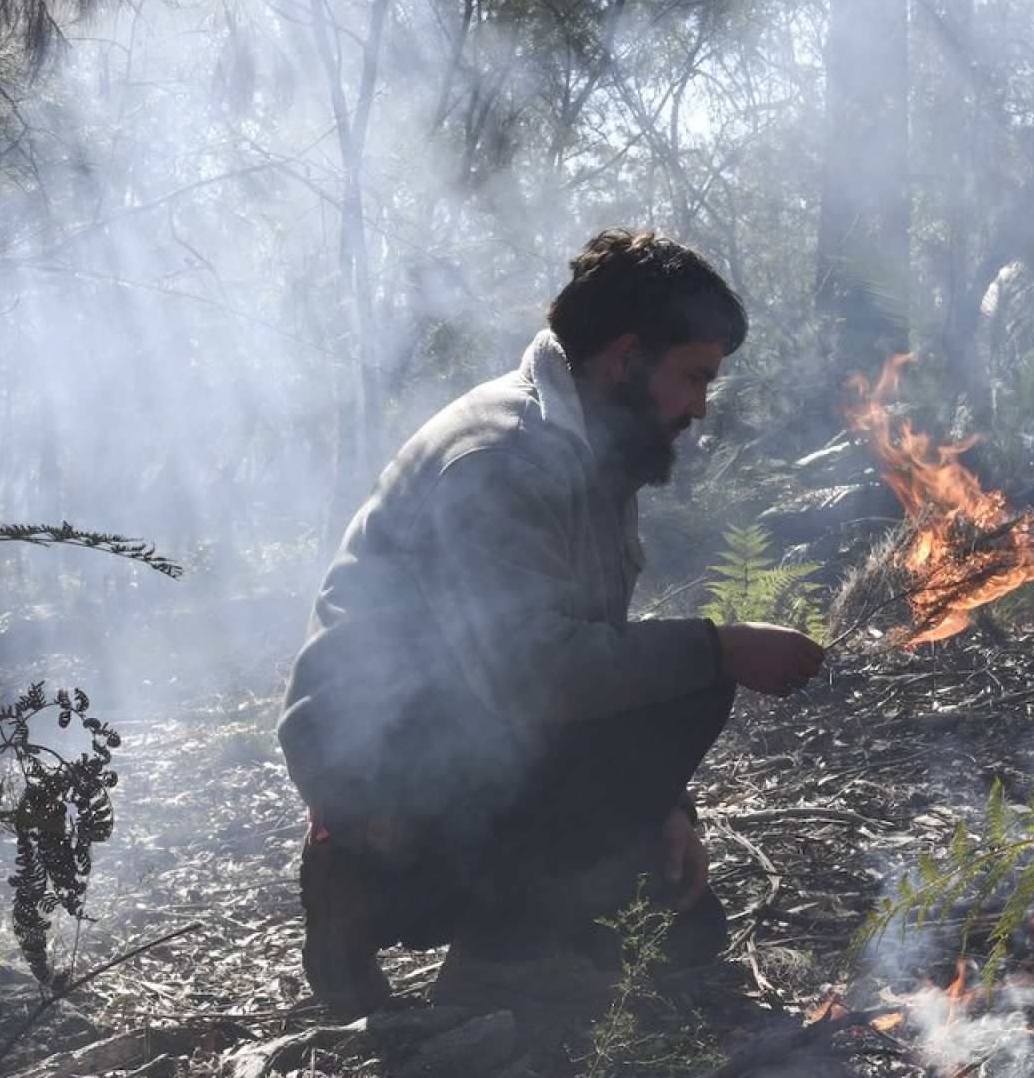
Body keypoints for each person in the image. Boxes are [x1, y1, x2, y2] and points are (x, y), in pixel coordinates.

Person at [277, 229, 825, 1017]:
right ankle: (481, 946)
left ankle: (502, 920)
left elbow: (593, 666)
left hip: (480, 742)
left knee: (682, 937)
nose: (701, 408)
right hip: (390, 775)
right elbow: (533, 674)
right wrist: (723, 649)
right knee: (698, 678)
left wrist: (667, 809)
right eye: (693, 378)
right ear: (627, 354)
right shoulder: (505, 458)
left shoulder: (590, 444)